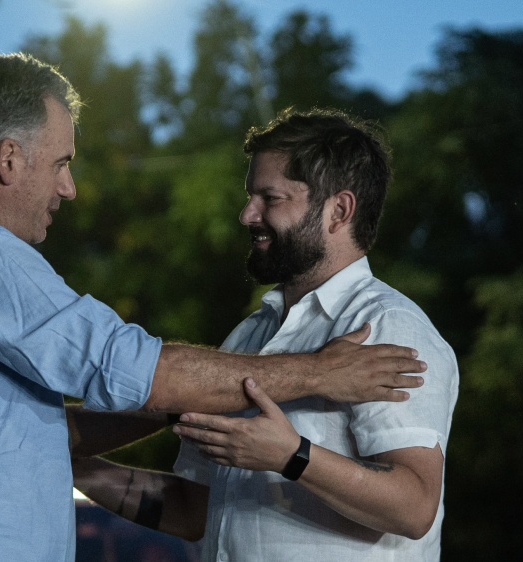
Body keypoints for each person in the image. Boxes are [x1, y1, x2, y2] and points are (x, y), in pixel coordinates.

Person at [0, 54, 425, 562]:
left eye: (268, 197)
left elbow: (27, 428)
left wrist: (179, 406)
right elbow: (127, 369)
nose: (68, 187)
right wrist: (318, 374)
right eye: (61, 163)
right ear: (8, 158)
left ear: (340, 209)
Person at [72, 107, 459, 561]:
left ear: (339, 210)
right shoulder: (250, 336)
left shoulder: (387, 326)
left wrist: (293, 456)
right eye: (250, 196)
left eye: (269, 198)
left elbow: (415, 506)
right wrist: (76, 470)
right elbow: (196, 509)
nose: (246, 214)